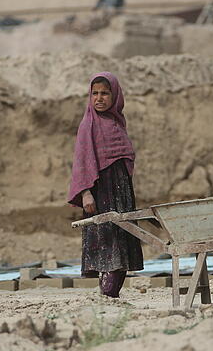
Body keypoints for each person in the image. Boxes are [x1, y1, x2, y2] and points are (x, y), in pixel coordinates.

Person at [68, 72, 143, 298]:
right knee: (107, 242)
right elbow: (82, 161)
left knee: (122, 239)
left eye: (105, 93)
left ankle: (111, 295)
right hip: (100, 191)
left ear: (116, 96)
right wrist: (85, 193)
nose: (99, 98)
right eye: (95, 93)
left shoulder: (117, 123)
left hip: (121, 190)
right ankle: (107, 294)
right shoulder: (88, 124)